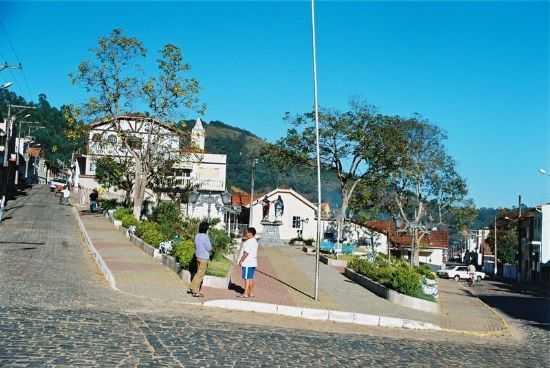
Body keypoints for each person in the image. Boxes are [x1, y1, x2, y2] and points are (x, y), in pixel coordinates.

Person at [189, 222, 212, 298]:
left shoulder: (197, 235)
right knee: (200, 275)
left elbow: (196, 245)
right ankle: (195, 291)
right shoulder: (205, 237)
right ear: (206, 228)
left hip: (198, 256)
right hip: (204, 258)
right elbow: (209, 248)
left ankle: (193, 288)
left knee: (197, 273)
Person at [238, 227, 258, 298]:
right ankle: (251, 293)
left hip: (247, 262)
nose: (246, 234)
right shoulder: (255, 241)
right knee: (251, 278)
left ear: (250, 233)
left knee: (247, 279)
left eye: (247, 232)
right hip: (253, 262)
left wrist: (241, 260)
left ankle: (245, 293)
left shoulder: (248, 242)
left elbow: (246, 253)